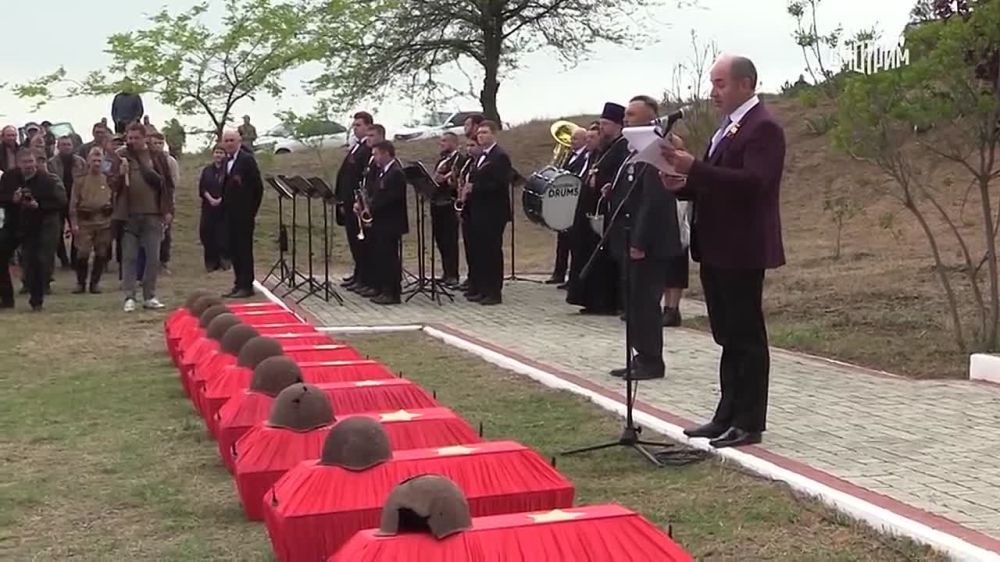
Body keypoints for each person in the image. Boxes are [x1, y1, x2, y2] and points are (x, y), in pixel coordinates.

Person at [660, 55, 786, 449]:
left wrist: (694, 168)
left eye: (720, 84)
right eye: (713, 84)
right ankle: (726, 414)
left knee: (746, 337)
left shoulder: (763, 127)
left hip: (741, 246)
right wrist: (681, 184)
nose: (713, 92)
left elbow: (753, 183)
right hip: (716, 245)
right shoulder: (729, 126)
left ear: (746, 84)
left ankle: (749, 421)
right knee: (727, 335)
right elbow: (717, 183)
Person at [566, 104, 628, 315]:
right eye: (600, 124)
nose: (602, 128)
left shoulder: (622, 147)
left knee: (604, 258)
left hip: (605, 211)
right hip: (591, 207)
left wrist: (602, 182)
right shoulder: (603, 148)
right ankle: (590, 299)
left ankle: (606, 301)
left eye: (605, 124)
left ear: (618, 125)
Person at [110, 123, 174, 312]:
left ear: (145, 138)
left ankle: (150, 296)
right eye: (129, 138)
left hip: (153, 214)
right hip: (128, 215)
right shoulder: (121, 156)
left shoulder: (157, 157)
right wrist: (120, 174)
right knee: (129, 257)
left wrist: (168, 210)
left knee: (153, 258)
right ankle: (129, 296)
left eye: (136, 138)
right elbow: (111, 184)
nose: (132, 141)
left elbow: (167, 185)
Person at [0, 149, 67, 310]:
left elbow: (58, 203)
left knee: (34, 262)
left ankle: (36, 301)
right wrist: (12, 199)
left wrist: (38, 205)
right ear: (18, 164)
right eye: (25, 162)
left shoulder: (45, 180)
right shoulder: (9, 177)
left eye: (31, 161)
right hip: (13, 225)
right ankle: (6, 298)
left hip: (35, 227)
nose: (29, 165)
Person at [465, 120, 511, 306]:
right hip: (478, 210)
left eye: (485, 132)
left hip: (493, 212)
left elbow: (499, 184)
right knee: (480, 251)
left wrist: (475, 188)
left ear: (493, 134)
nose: (481, 136)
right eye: (479, 133)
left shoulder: (499, 156)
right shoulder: (481, 156)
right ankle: (482, 289)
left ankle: (493, 292)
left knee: (491, 252)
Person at [358, 140, 407, 304]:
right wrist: (363, 203)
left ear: (386, 153)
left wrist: (370, 206)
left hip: (390, 222)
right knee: (381, 256)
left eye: (376, 154)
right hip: (380, 221)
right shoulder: (381, 172)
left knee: (389, 257)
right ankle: (383, 288)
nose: (374, 158)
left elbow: (391, 198)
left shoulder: (396, 173)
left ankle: (392, 292)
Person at [220, 129, 264, 298]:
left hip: (244, 214)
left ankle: (247, 285)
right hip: (228, 213)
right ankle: (238, 283)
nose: (229, 143)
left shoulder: (247, 160)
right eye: (226, 141)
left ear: (239, 141)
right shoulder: (225, 161)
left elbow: (257, 187)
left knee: (244, 249)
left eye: (232, 140)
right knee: (234, 250)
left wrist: (251, 211)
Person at [546, 126, 590, 287]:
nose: (572, 141)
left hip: (575, 203)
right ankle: (559, 272)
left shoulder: (586, 157)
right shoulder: (570, 155)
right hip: (564, 203)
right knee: (562, 240)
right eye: (572, 138)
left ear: (585, 140)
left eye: (575, 139)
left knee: (574, 243)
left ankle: (572, 278)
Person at [334, 111, 374, 290]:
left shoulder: (367, 149)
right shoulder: (356, 147)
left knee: (361, 241)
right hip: (348, 199)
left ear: (368, 126)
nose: (355, 128)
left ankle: (365, 277)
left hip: (358, 202)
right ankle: (358, 273)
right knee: (353, 239)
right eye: (354, 125)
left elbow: (360, 176)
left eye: (358, 125)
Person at [68, 147, 114, 294]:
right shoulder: (80, 180)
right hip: (85, 221)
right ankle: (81, 283)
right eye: (94, 160)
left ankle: (95, 283)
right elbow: (73, 203)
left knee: (101, 253)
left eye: (99, 160)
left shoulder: (108, 179)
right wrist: (74, 223)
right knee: (83, 253)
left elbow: (114, 199)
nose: (96, 163)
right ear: (88, 161)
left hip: (104, 221)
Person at [48, 136, 87, 271]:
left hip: (75, 199)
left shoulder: (80, 162)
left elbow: (84, 181)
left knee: (77, 230)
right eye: (63, 144)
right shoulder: (51, 163)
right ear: (58, 146)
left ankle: (75, 259)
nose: (66, 147)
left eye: (68, 144)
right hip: (58, 200)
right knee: (57, 231)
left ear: (73, 146)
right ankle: (63, 258)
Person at [430, 132, 461, 287]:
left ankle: (453, 274)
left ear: (453, 142)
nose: (441, 144)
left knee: (450, 240)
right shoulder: (442, 160)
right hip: (437, 203)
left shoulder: (459, 159)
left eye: (444, 141)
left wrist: (448, 179)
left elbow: (458, 179)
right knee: (440, 239)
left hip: (449, 203)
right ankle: (445, 272)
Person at [147, 131, 178, 274]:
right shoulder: (146, 159)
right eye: (155, 143)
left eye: (160, 143)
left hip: (165, 200)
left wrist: (169, 204)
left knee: (165, 234)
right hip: (148, 202)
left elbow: (174, 182)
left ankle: (163, 262)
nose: (158, 146)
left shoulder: (170, 161)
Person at [198, 145, 229, 271]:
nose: (218, 155)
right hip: (208, 207)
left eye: (221, 153)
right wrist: (210, 199)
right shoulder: (207, 170)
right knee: (207, 233)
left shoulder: (228, 170)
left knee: (223, 234)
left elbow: (230, 187)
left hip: (224, 207)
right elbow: (202, 187)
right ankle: (211, 262)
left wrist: (221, 199)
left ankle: (224, 261)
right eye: (217, 152)